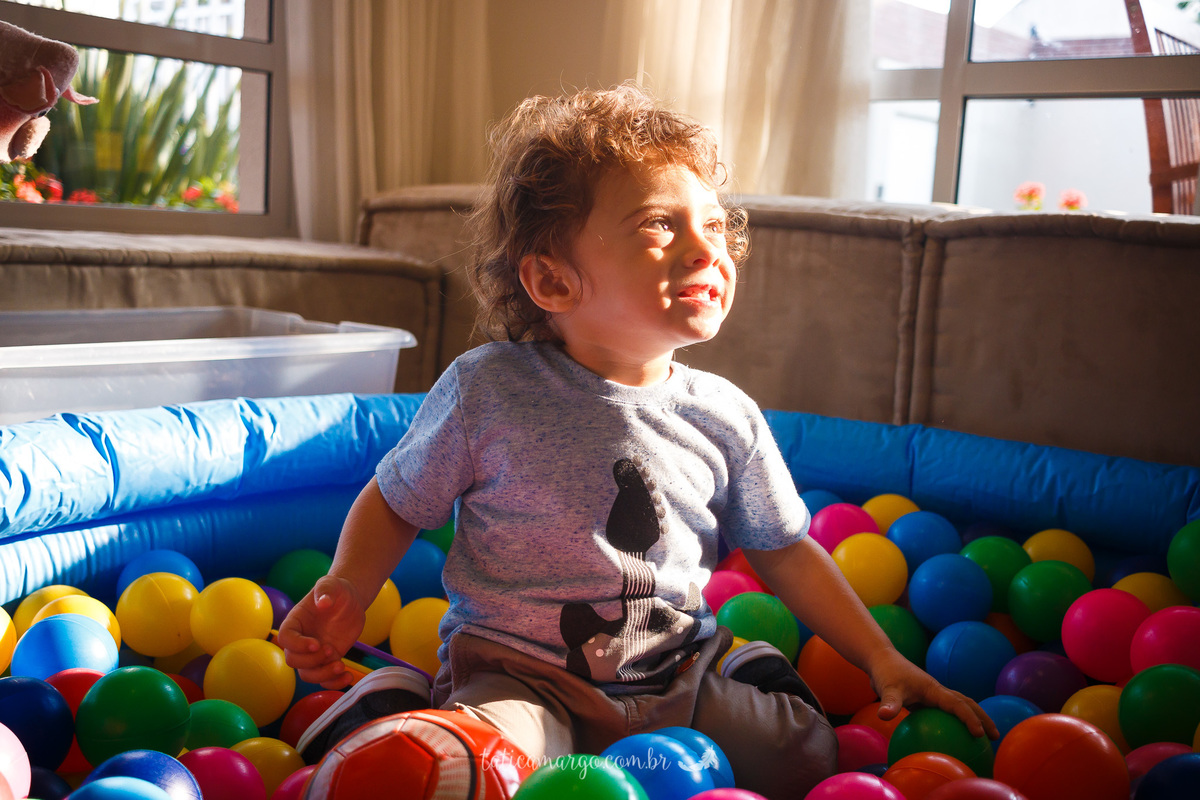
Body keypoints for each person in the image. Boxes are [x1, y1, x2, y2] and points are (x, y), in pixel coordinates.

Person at [278, 84, 996, 799]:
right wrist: (347, 588)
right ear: (553, 280)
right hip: (523, 679)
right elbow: (398, 501)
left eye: (714, 225)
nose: (706, 249)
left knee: (809, 755)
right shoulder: (487, 390)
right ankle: (398, 701)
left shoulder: (724, 414)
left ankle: (740, 668)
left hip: (676, 674)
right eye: (659, 225)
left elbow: (784, 549)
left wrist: (882, 659)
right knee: (486, 771)